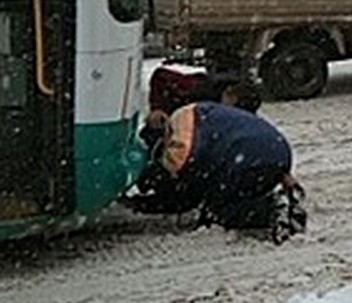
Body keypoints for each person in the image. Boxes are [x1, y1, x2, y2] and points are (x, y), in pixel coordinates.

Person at [127, 100, 306, 240]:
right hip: (274, 146)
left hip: (247, 159)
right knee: (233, 189)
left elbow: (185, 199)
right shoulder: (187, 113)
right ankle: (278, 189)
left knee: (217, 212)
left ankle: (274, 209)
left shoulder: (180, 152)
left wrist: (140, 204)